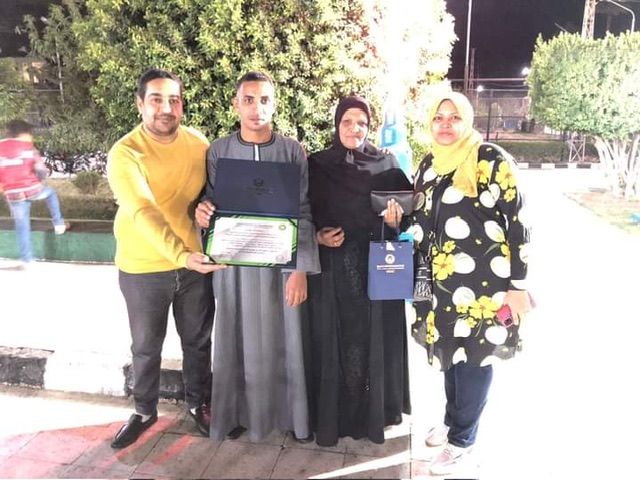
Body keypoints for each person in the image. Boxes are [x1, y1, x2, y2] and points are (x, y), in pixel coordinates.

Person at [195, 71, 320, 442]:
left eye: (264, 100)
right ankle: (235, 415)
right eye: (248, 100)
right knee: (234, 336)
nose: (256, 108)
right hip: (234, 265)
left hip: (281, 262)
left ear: (274, 105)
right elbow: (209, 202)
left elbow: (302, 209)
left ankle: (292, 419)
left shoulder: (291, 151)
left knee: (287, 338)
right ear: (236, 104)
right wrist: (202, 214)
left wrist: (300, 269)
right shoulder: (218, 151)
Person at [412, 91, 532, 475]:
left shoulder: (489, 159)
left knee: (475, 359)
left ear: (467, 121)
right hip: (441, 284)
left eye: (454, 117)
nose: (446, 124)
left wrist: (518, 284)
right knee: (451, 355)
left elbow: (519, 222)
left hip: (485, 289)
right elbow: (422, 218)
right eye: (439, 117)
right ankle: (453, 423)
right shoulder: (430, 164)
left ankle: (463, 442)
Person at [107, 68, 226, 449]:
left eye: (173, 100)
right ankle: (144, 411)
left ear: (182, 105)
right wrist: (182, 254)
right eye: (156, 99)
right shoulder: (126, 153)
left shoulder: (198, 144)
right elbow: (144, 211)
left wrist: (206, 207)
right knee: (146, 347)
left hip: (192, 266)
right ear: (140, 104)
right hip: (143, 268)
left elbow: (211, 194)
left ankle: (198, 404)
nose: (166, 108)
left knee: (198, 342)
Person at [304, 95, 412, 446]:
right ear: (337, 124)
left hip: (376, 265)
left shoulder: (386, 163)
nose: (355, 129)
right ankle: (335, 415)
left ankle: (373, 412)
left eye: (362, 123)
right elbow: (304, 213)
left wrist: (395, 221)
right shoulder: (317, 164)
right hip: (333, 269)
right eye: (347, 122)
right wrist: (318, 237)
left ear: (370, 127)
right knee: (335, 339)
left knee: (373, 338)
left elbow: (404, 213)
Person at [0, 120, 69, 268]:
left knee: (22, 225)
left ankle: (27, 260)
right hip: (32, 189)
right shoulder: (28, 147)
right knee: (51, 193)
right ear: (24, 133)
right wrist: (39, 179)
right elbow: (42, 170)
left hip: (12, 194)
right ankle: (59, 224)